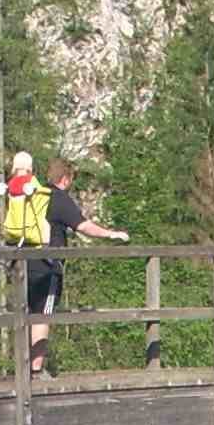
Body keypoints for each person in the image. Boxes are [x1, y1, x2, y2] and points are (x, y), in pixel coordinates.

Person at [28, 158, 129, 376]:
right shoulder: (59, 198)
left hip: (25, 265)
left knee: (29, 315)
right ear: (65, 179)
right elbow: (83, 226)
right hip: (48, 267)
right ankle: (35, 372)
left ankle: (26, 368)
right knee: (42, 316)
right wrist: (111, 233)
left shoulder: (36, 196)